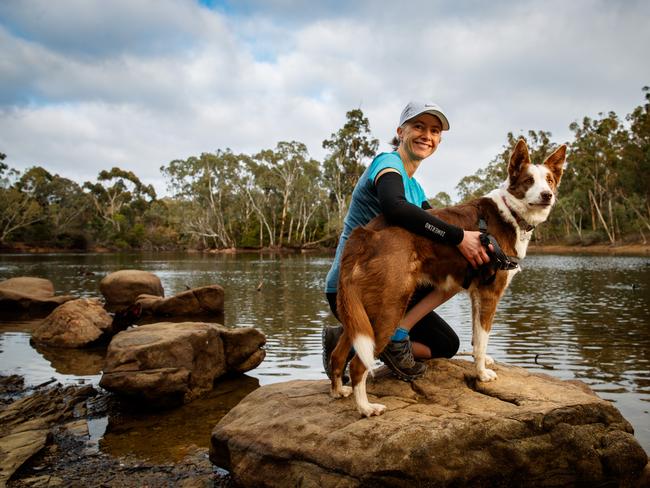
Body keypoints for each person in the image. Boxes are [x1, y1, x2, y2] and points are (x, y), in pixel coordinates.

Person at [323, 101, 490, 381]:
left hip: (397, 281)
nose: (427, 135)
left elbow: (435, 227)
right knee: (456, 251)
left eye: (435, 131)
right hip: (353, 283)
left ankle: (373, 338)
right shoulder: (387, 164)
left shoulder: (415, 186)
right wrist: (459, 236)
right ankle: (364, 337)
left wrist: (481, 243)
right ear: (401, 131)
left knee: (445, 345)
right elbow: (394, 207)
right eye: (419, 127)